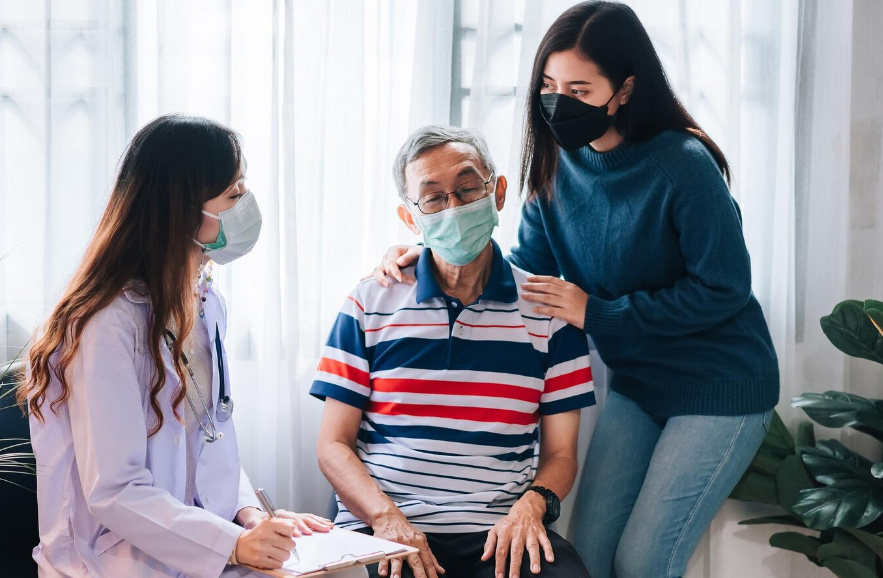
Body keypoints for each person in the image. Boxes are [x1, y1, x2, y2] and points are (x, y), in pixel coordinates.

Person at [373, 3, 780, 578]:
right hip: (639, 384)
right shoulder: (556, 167)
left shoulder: (683, 166)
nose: (559, 101)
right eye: (548, 85)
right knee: (585, 550)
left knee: (643, 561)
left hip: (719, 386)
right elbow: (522, 275)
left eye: (580, 88)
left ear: (625, 90)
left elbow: (725, 289)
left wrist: (600, 313)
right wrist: (434, 254)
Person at [20, 114, 349, 578]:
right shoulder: (105, 325)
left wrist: (250, 518)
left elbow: (212, 439)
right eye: (234, 193)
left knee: (340, 570)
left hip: (198, 541)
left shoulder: (204, 301)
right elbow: (115, 493)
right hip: (112, 561)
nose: (246, 204)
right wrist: (236, 544)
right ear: (181, 207)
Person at [313, 126, 595, 578]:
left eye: (467, 189)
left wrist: (531, 506)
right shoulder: (370, 301)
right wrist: (385, 518)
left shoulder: (550, 312)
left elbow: (561, 454)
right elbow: (332, 445)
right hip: (388, 527)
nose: (454, 208)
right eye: (434, 199)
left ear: (497, 192)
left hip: (502, 529)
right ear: (411, 217)